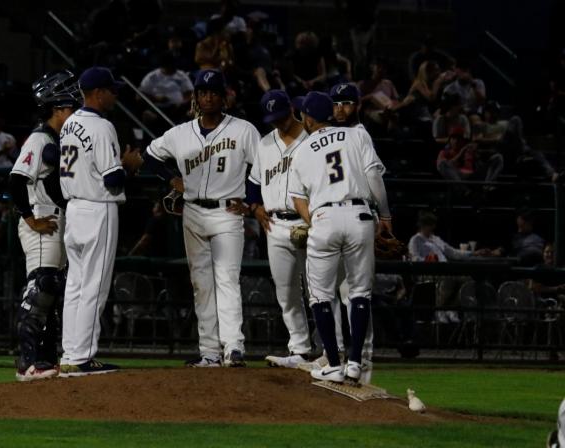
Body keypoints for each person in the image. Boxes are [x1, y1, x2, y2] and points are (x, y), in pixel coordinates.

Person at [145, 69, 260, 367]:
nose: (208, 97)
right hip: (193, 211)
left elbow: (261, 169)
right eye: (203, 92)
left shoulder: (244, 130)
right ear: (195, 97)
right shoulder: (180, 133)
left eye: (213, 92)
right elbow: (149, 155)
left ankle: (234, 347)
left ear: (224, 97)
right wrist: (172, 179)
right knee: (201, 283)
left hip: (227, 212)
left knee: (227, 279)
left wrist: (250, 200)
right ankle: (209, 351)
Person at [289, 91, 392, 383]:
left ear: (309, 118)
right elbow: (374, 176)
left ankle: (333, 363)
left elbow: (298, 198)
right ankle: (356, 362)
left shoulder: (303, 149)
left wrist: (316, 221)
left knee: (320, 295)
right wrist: (384, 216)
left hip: (324, 218)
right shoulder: (357, 135)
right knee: (359, 293)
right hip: (360, 216)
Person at [58, 66, 143, 377]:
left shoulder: (68, 124)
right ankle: (83, 358)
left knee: (76, 287)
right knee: (94, 285)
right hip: (98, 209)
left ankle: (70, 353)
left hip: (74, 210)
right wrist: (130, 165)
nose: (115, 94)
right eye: (111, 89)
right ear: (97, 93)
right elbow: (113, 178)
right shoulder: (101, 126)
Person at [8, 70, 82, 381]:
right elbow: (15, 180)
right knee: (41, 288)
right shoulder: (39, 138)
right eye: (71, 106)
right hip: (42, 218)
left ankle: (46, 359)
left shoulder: (57, 140)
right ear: (59, 109)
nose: (75, 111)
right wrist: (30, 218)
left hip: (57, 221)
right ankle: (27, 363)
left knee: (52, 291)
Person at [246, 90, 312, 369]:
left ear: (292, 110)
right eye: (273, 119)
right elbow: (252, 183)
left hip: (309, 222)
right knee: (286, 292)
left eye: (282, 116)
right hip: (275, 224)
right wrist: (254, 207)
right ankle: (300, 349)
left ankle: (331, 349)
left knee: (320, 291)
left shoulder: (312, 140)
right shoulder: (264, 144)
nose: (279, 123)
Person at [408, 211, 490, 323]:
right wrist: (427, 260)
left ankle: (451, 308)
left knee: (467, 281)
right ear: (422, 225)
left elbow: (453, 252)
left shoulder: (436, 239)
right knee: (449, 279)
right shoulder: (415, 240)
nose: (432, 228)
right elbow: (414, 258)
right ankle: (440, 309)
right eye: (429, 225)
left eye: (433, 225)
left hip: (445, 269)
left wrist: (473, 253)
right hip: (429, 272)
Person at [437, 126, 503, 184]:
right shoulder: (444, 152)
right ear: (450, 140)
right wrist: (461, 153)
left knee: (498, 157)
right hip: (458, 177)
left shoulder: (469, 150)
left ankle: (487, 186)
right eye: (453, 138)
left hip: (473, 176)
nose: (456, 141)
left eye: (459, 139)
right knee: (443, 163)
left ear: (463, 140)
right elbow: (442, 167)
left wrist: (477, 155)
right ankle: (463, 190)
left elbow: (481, 163)